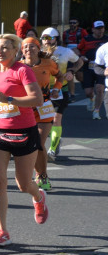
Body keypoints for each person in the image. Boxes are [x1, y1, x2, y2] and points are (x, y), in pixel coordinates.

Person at [0, 34, 48, 247]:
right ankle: (2, 231)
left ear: (15, 50)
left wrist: (10, 100)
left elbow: (37, 99)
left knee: (24, 185)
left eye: (5, 48)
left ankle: (38, 197)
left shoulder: (22, 70)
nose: (0, 51)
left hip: (24, 132)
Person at [20, 37, 60, 191]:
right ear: (22, 51)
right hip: (26, 108)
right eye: (25, 47)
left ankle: (42, 175)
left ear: (38, 48)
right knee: (30, 143)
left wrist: (56, 88)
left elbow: (60, 77)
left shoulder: (48, 63)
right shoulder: (18, 67)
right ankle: (34, 173)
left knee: (38, 142)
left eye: (31, 47)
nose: (28, 50)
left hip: (44, 107)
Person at [41, 28, 83, 159]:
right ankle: (56, 138)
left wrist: (71, 71)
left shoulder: (65, 51)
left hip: (60, 89)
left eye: (49, 38)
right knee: (43, 121)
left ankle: (52, 149)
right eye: (43, 38)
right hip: (43, 90)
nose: (46, 41)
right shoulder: (38, 52)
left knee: (56, 119)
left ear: (55, 38)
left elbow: (79, 61)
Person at [79, 21, 107, 119]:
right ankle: (91, 99)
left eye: (102, 28)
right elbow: (77, 50)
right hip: (89, 67)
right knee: (88, 92)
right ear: (93, 29)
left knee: (100, 89)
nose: (100, 30)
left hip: (101, 67)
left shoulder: (106, 39)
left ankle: (96, 111)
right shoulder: (86, 39)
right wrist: (81, 56)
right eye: (98, 28)